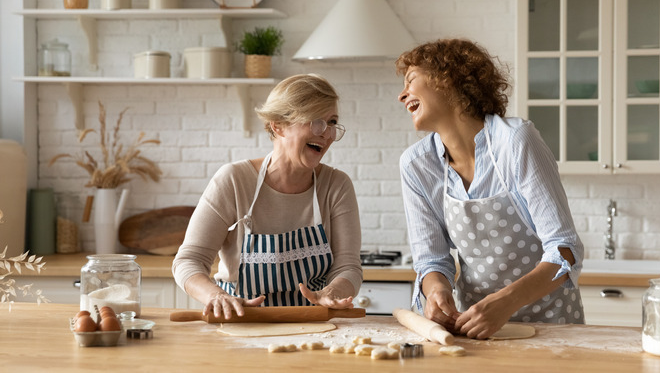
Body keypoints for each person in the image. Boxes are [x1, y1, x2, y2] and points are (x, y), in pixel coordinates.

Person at [396, 38, 585, 340]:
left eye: (411, 80)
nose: (401, 95)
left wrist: (507, 301)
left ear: (449, 80)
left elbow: (565, 250)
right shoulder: (417, 165)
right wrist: (437, 292)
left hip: (551, 328)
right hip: (476, 332)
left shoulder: (516, 142)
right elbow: (432, 261)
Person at [173, 74, 362, 319]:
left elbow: (348, 266)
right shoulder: (234, 180)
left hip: (313, 327)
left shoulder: (336, 186)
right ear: (278, 125)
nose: (326, 134)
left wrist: (333, 292)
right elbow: (188, 261)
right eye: (316, 122)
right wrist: (216, 296)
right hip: (242, 324)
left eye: (332, 122)